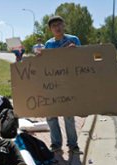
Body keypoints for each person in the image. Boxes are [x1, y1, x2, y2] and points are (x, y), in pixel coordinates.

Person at [44, 15, 81, 153]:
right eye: (54, 26)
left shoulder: (74, 40)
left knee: (69, 116)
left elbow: (82, 61)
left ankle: (73, 145)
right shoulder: (48, 44)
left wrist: (75, 51)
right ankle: (56, 144)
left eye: (59, 24)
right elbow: (46, 65)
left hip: (68, 84)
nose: (57, 28)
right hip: (52, 85)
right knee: (51, 116)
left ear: (63, 25)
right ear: (50, 29)